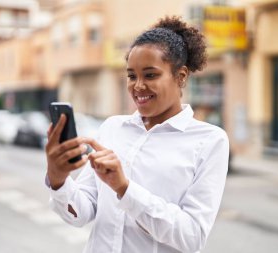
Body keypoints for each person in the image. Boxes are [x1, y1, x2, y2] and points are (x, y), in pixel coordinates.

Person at [45, 16, 229, 253]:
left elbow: (192, 237)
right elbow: (81, 213)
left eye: (150, 75)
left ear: (181, 76)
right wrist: (58, 179)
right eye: (132, 76)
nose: (138, 86)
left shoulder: (210, 141)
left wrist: (124, 188)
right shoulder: (112, 128)